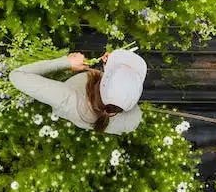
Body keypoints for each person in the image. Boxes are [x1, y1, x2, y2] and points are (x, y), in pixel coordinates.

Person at [9, 49, 145, 134]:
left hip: (68, 104)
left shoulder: (67, 98)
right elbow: (116, 96)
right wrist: (107, 70)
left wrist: (67, 62)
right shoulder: (133, 119)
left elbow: (17, 76)